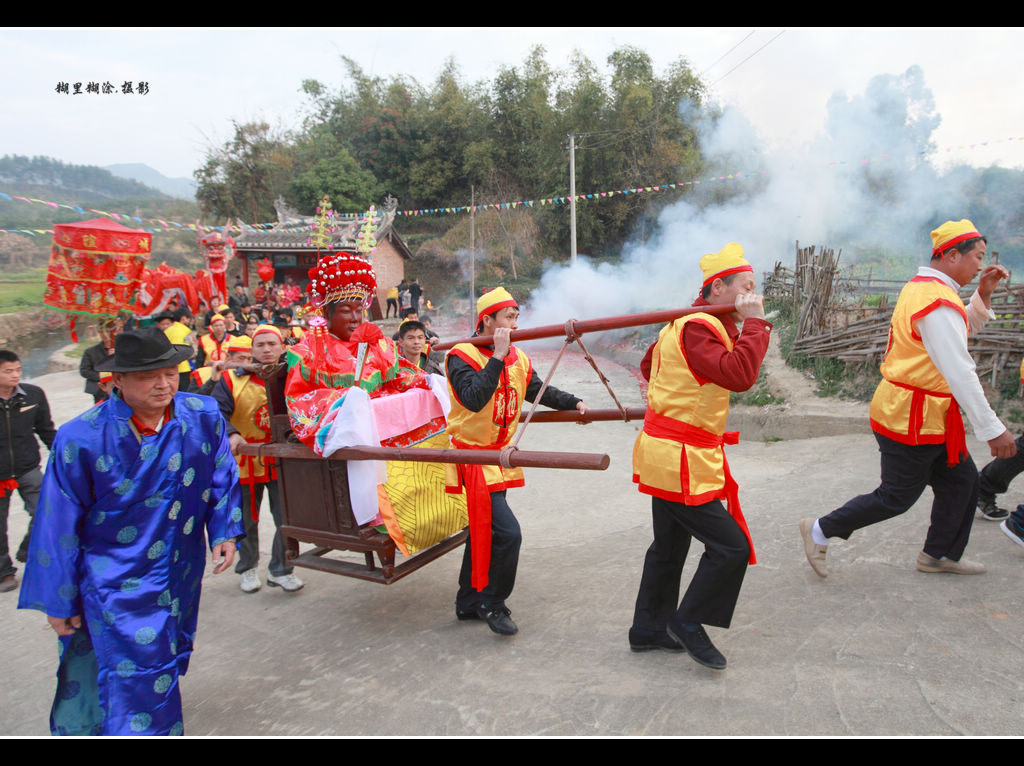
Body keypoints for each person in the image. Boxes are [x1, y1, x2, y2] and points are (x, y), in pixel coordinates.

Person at [17, 327, 244, 736]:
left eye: (170, 372)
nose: (163, 384)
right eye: (147, 376)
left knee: (164, 656)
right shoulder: (80, 438)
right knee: (132, 669)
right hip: (113, 578)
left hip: (179, 567)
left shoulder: (202, 415)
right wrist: (58, 600)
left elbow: (222, 474)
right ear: (116, 380)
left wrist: (224, 531)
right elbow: (56, 526)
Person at [800, 219, 1016, 580]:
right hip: (910, 417)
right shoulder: (936, 301)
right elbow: (959, 369)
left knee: (962, 481)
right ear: (950, 255)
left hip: (926, 414)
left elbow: (951, 335)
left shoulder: (924, 289)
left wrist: (984, 295)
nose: (981, 264)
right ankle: (819, 529)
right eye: (977, 257)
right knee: (895, 497)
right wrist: (992, 429)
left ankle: (939, 554)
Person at [629, 244, 770, 670]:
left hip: (671, 450)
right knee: (731, 547)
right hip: (678, 458)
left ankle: (647, 629)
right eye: (744, 288)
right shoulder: (697, 327)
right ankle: (687, 621)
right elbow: (739, 375)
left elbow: (649, 364)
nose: (752, 295)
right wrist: (757, 324)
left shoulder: (689, 324)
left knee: (669, 547)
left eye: (754, 289)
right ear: (717, 288)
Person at [445, 287, 588, 637]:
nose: (514, 323)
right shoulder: (459, 355)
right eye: (507, 317)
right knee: (508, 535)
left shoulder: (519, 359)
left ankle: (468, 601)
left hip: (499, 457)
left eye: (516, 317)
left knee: (485, 531)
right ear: (487, 320)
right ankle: (492, 603)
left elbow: (538, 391)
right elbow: (474, 399)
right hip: (472, 457)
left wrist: (575, 403)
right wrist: (496, 355)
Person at [213, 325, 303, 594]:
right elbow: (216, 412)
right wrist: (231, 434)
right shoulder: (231, 380)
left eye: (271, 344)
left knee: (286, 518)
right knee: (247, 521)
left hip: (281, 461)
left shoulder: (293, 377)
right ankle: (248, 566)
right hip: (245, 462)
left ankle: (281, 569)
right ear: (251, 350)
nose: (266, 349)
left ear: (282, 348)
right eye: (260, 345)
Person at [0, 350, 57, 592]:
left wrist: (63, 455)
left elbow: (46, 429)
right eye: (8, 371)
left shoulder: (33, 395)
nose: (15, 375)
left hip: (28, 467)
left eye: (18, 370)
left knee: (46, 510)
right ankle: (4, 572)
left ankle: (28, 549)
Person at [79, 319, 119, 403]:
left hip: (121, 386)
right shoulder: (90, 352)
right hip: (99, 389)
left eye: (107, 331)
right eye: (101, 332)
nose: (104, 335)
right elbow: (84, 371)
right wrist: (104, 378)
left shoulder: (122, 349)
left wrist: (118, 356)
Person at [163, 308, 196, 392]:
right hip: (181, 369)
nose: (190, 321)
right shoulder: (180, 332)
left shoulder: (169, 330)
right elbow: (179, 352)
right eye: (189, 319)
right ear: (183, 318)